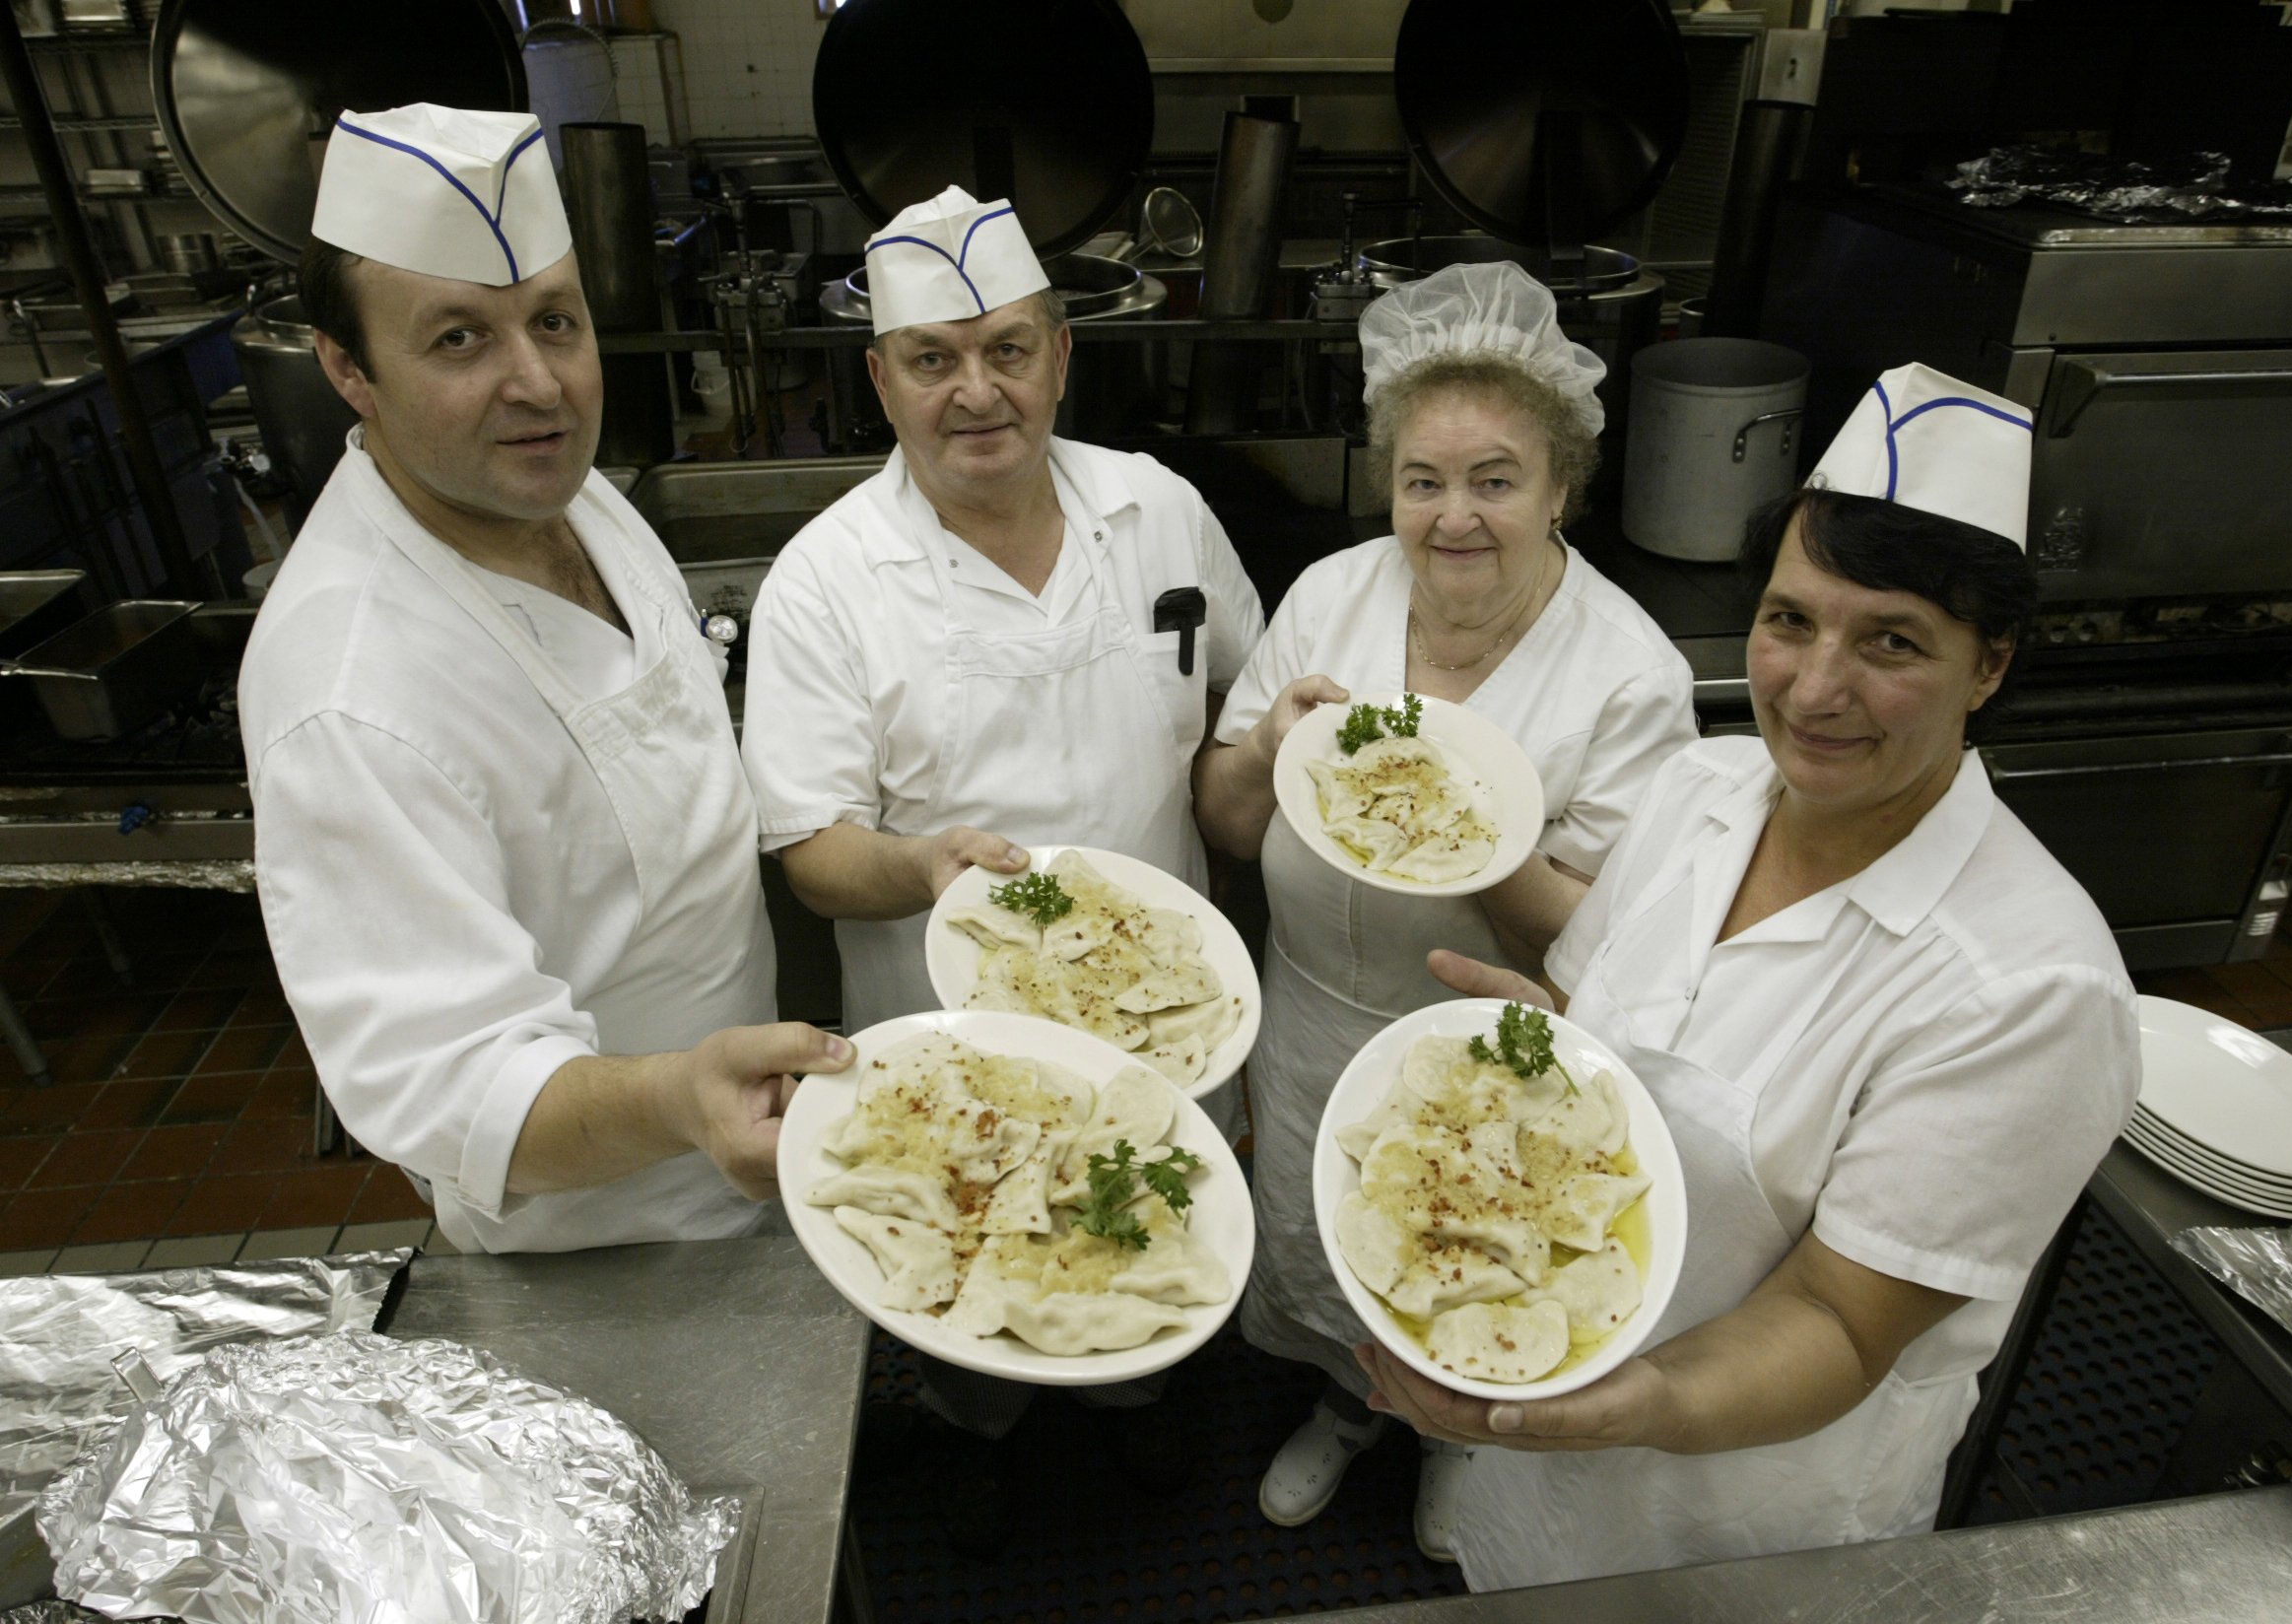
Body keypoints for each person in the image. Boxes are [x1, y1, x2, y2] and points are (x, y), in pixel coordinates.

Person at [1355, 364, 2142, 1586]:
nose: (1816, 689)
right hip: (1546, 1363)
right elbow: (1603, 1030)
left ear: (1988, 665)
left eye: (1891, 642)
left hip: (1743, 1508)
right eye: (1790, 620)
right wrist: (1552, 1042)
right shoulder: (1703, 789)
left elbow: (1838, 1317)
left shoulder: (2027, 988)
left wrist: (1639, 1398)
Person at [739, 184, 1263, 1552]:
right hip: (949, 1050)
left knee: (1134, 1252)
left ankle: (1137, 1406)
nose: (977, 393)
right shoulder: (827, 581)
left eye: (1008, 350)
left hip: (1162, 1020)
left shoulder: (1161, 517)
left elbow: (1234, 727)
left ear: (1062, 355)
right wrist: (920, 866)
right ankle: (974, 1421)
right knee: (966, 1273)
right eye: (933, 359)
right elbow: (810, 854)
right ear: (879, 378)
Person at [240, 105, 850, 1255]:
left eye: (555, 322)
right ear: (346, 368)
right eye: (459, 339)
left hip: (755, 1149)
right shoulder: (351, 693)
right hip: (597, 1241)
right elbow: (455, 1081)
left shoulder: (566, 492)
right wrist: (677, 1102)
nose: (541, 385)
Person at [1191, 262, 1697, 1558]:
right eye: (1424, 480)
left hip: (1490, 1067)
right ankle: (1352, 1409)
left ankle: (1459, 1448)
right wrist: (1258, 757)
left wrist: (1469, 842)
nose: (1454, 517)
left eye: (1495, 480)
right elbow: (1229, 824)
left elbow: (1606, 942)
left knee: (1470, 1264)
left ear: (1562, 486)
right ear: (1388, 485)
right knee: (1327, 1252)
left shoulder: (1627, 674)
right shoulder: (1332, 598)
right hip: (1310, 1018)